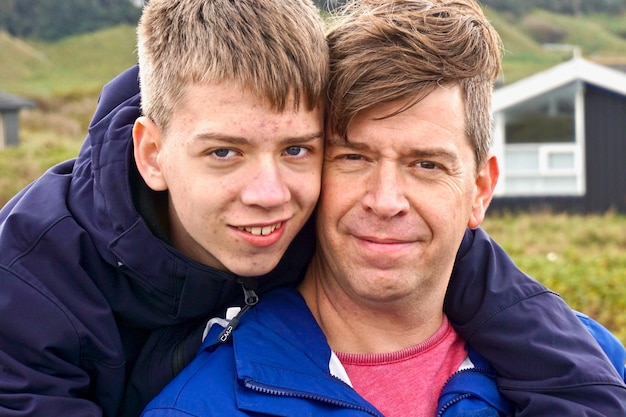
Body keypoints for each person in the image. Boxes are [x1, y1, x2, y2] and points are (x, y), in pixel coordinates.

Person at [141, 0, 626, 416]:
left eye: (427, 165)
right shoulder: (195, 404)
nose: (386, 200)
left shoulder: (598, 365)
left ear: (480, 189)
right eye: (353, 157)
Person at [0, 1, 327, 416]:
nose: (270, 194)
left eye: (296, 149)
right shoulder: (27, 286)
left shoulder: (346, 228)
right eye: (224, 152)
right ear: (152, 155)